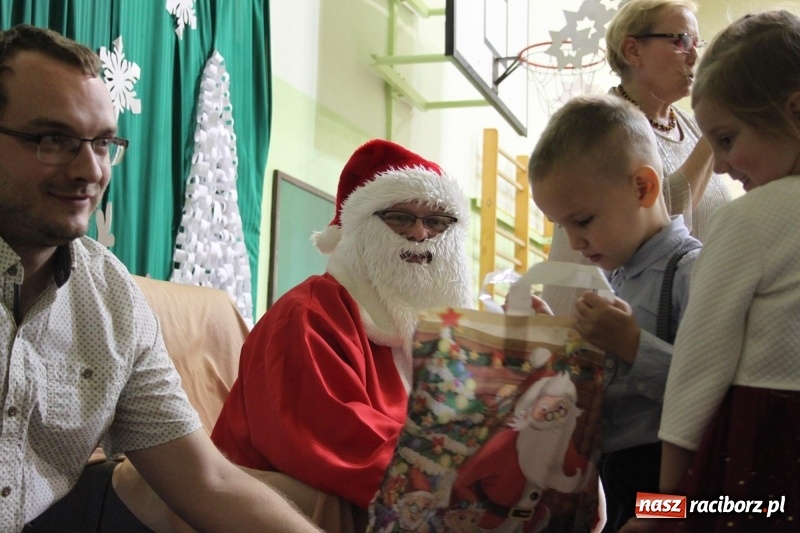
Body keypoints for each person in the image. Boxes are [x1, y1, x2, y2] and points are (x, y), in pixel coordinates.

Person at [0, 24, 319, 533]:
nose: (90, 169)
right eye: (51, 139)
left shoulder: (109, 296)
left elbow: (207, 480)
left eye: (103, 143)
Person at [210, 139, 474, 529]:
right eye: (400, 217)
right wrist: (470, 478)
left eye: (437, 222)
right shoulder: (307, 316)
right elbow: (335, 442)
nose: (420, 234)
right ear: (358, 228)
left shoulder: (441, 338)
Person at [622, 10, 800, 532]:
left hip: (762, 467)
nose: (719, 166)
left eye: (725, 139)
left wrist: (657, 510)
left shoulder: (748, 220)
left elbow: (695, 376)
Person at [528, 94, 702, 532]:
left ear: (643, 187)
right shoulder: (617, 280)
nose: (575, 240)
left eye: (583, 220)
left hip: (675, 490)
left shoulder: (693, 272)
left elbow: (712, 395)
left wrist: (631, 343)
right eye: (563, 226)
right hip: (619, 482)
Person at [541, 0, 730, 317]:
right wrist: (717, 120)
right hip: (594, 322)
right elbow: (660, 218)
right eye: (681, 40)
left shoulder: (695, 129)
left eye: (698, 43)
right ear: (633, 51)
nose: (696, 55)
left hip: (676, 315)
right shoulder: (597, 124)